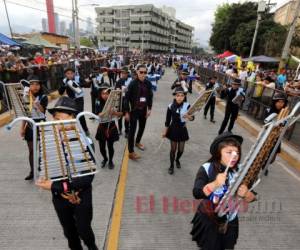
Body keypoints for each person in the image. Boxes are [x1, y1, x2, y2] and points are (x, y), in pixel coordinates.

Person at [36, 96, 98, 250]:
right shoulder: (47, 142)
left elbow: (88, 178)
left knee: (84, 230)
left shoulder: (86, 142)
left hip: (82, 195)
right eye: (56, 119)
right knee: (69, 233)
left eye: (64, 118)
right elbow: (43, 168)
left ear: (73, 119)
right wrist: (45, 178)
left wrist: (57, 186)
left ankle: (92, 247)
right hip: (60, 198)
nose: (59, 123)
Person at [191, 132, 256, 250]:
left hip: (230, 221)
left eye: (237, 153)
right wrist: (215, 184)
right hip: (209, 219)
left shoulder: (241, 171)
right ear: (218, 152)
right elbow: (197, 192)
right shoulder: (207, 168)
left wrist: (247, 194)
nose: (234, 156)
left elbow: (253, 196)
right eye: (229, 152)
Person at [20, 75, 48, 180]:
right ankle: (32, 171)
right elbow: (25, 114)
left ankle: (43, 170)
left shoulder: (43, 97)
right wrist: (22, 128)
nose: (35, 86)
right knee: (31, 150)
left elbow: (42, 111)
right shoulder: (24, 97)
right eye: (32, 84)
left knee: (42, 150)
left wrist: (33, 99)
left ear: (40, 86)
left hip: (41, 124)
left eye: (37, 84)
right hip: (30, 124)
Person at [162, 87, 194, 175]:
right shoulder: (170, 106)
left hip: (183, 129)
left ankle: (177, 159)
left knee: (181, 150)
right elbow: (167, 120)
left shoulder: (187, 105)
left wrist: (189, 117)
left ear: (184, 97)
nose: (180, 97)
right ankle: (171, 166)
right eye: (178, 95)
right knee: (173, 149)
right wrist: (165, 131)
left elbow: (192, 118)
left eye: (182, 95)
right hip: (173, 129)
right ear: (175, 96)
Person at [124, 64, 153, 160]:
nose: (143, 74)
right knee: (132, 131)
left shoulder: (148, 83)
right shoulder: (132, 83)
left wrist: (149, 108)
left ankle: (138, 142)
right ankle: (131, 152)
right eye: (141, 72)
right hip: (134, 110)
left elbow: (150, 96)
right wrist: (126, 112)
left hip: (143, 109)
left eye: (145, 72)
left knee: (142, 127)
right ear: (137, 72)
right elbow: (126, 99)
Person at [95, 83, 122, 169]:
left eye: (107, 93)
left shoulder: (115, 100)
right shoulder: (98, 101)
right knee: (102, 147)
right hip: (102, 127)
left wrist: (115, 113)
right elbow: (97, 114)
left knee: (110, 146)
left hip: (112, 127)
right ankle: (105, 159)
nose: (105, 95)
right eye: (103, 93)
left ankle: (110, 160)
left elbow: (121, 113)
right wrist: (106, 111)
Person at [263, 92, 288, 176]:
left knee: (272, 157)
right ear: (275, 102)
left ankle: (265, 165)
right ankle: (261, 166)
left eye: (282, 102)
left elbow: (286, 126)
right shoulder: (268, 110)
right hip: (267, 136)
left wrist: (285, 124)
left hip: (277, 137)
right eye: (279, 101)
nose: (280, 104)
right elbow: (265, 124)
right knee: (263, 153)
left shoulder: (285, 113)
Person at [58, 67, 89, 134]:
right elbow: (60, 92)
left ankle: (85, 130)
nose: (70, 75)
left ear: (74, 74)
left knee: (80, 114)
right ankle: (76, 130)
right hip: (71, 100)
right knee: (72, 115)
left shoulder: (78, 78)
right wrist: (64, 86)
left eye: (71, 73)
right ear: (65, 74)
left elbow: (87, 84)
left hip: (79, 99)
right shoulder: (64, 80)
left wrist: (77, 85)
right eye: (68, 74)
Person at [115, 67, 132, 137]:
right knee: (119, 116)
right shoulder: (119, 81)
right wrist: (119, 90)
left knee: (127, 116)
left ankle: (127, 131)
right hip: (121, 100)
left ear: (127, 74)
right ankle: (119, 129)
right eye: (122, 73)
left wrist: (128, 90)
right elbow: (116, 90)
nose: (123, 74)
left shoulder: (131, 81)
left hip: (127, 101)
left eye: (125, 73)